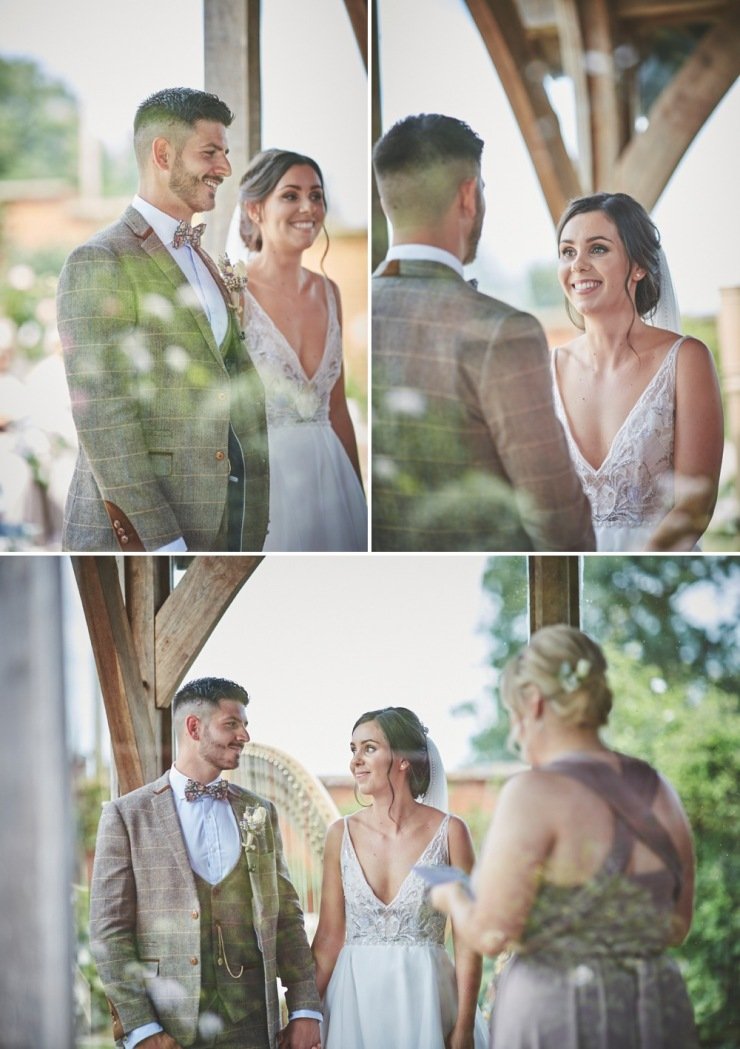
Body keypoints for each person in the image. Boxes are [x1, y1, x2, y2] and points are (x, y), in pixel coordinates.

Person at [430, 625, 699, 1048]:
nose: (514, 728)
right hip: (654, 1014)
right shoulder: (659, 789)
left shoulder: (533, 792)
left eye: (513, 713)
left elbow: (490, 933)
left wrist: (450, 895)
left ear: (534, 703)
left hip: (562, 1016)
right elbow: (677, 927)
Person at [57, 87, 269, 553]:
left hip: (221, 532)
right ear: (163, 154)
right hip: (141, 542)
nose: (225, 168)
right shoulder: (100, 258)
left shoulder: (205, 258)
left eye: (225, 154)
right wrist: (160, 541)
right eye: (210, 153)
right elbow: (103, 415)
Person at [371, 113, 594, 553]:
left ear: (387, 200)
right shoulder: (502, 333)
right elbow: (556, 517)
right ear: (468, 195)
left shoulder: (352, 314)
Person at [89, 678, 321, 1049]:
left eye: (245, 725)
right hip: (168, 1029)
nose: (244, 735)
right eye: (232, 724)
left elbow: (287, 919)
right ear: (194, 727)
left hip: (253, 1026)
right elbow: (109, 932)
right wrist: (143, 1030)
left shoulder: (259, 811)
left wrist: (305, 1009)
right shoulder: (126, 815)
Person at [552, 192, 724, 551]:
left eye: (597, 249)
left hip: (657, 564)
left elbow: (695, 506)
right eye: (568, 252)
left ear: (639, 266)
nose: (578, 264)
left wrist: (627, 566)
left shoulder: (685, 359)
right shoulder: (545, 370)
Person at [311, 706, 488, 1049]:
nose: (355, 761)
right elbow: (329, 939)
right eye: (353, 749)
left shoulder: (451, 833)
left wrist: (464, 1025)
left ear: (404, 759)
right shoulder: (339, 835)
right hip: (354, 1002)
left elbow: (469, 940)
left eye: (369, 748)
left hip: (428, 1001)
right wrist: (303, 1015)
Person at [224, 148, 367, 551]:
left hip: (333, 481)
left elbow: (336, 408)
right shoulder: (232, 292)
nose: (308, 207)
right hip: (266, 486)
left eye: (316, 195)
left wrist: (358, 496)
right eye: (291, 195)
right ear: (255, 209)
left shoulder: (330, 292)